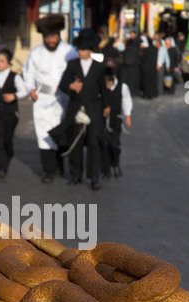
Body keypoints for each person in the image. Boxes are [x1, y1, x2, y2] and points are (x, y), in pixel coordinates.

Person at [49, 28, 110, 190]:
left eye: (83, 49)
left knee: (93, 144)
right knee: (74, 143)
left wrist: (107, 105)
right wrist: (71, 86)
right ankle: (76, 174)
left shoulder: (98, 66)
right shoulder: (72, 65)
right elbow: (62, 84)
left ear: (90, 50)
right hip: (75, 109)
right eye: (79, 49)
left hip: (93, 109)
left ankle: (94, 177)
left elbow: (103, 88)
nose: (80, 52)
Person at [22, 14, 78, 183]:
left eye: (53, 36)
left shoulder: (69, 51)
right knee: (44, 136)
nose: (51, 40)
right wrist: (31, 89)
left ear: (59, 35)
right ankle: (48, 171)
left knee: (62, 133)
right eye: (48, 37)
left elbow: (77, 72)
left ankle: (61, 166)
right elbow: (27, 73)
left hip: (64, 99)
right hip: (43, 99)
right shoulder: (36, 53)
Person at [0, 49, 28, 178]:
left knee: (7, 139)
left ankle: (9, 151)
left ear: (8, 63)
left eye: (2, 61)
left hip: (10, 113)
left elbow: (23, 91)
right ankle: (1, 168)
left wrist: (13, 96)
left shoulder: (15, 77)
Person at [104, 69, 132, 178]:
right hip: (104, 119)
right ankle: (106, 169)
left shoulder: (122, 87)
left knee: (115, 144)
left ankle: (115, 164)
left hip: (116, 119)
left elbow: (126, 100)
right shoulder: (102, 86)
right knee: (105, 145)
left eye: (108, 84)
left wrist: (127, 115)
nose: (107, 87)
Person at [120, 29, 141, 97]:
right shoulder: (128, 42)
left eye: (133, 34)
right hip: (128, 62)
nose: (132, 35)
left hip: (134, 63)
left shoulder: (138, 41)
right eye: (131, 34)